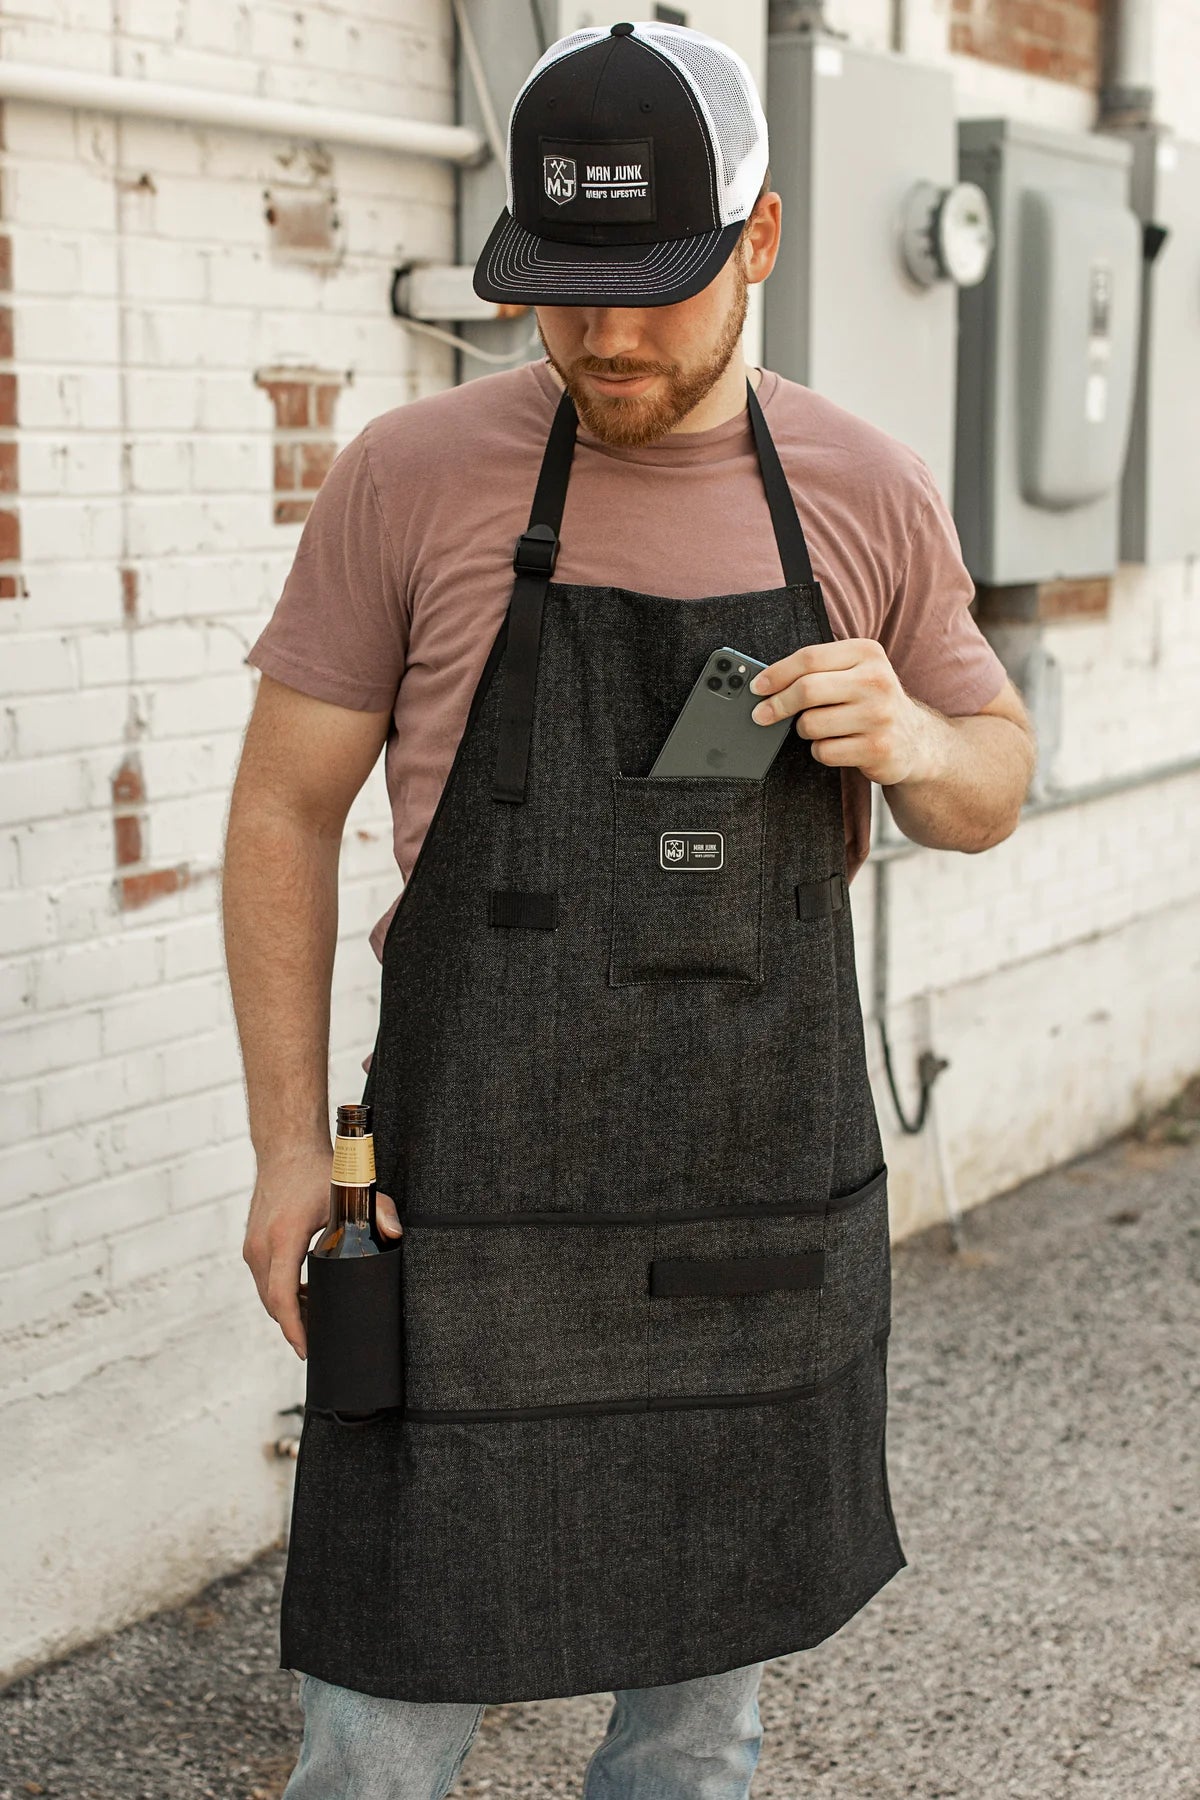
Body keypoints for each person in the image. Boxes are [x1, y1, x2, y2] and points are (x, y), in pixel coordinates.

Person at [224, 19, 1035, 1799]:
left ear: (757, 241)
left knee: (695, 1739)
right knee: (374, 1731)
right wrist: (290, 1148)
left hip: (743, 1217)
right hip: (469, 1213)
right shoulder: (413, 475)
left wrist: (909, 735)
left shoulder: (864, 487)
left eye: (652, 288)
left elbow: (991, 781)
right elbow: (283, 816)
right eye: (563, 289)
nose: (600, 337)